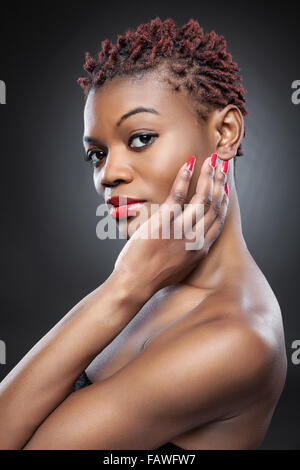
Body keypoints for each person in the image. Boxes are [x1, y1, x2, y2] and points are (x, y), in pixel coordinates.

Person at [0, 17, 287, 450]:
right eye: (96, 154)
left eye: (140, 138)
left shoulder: (237, 338)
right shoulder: (153, 281)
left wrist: (125, 286)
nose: (107, 175)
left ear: (225, 133)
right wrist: (129, 285)